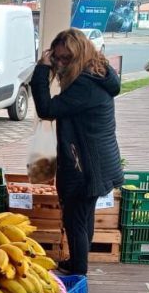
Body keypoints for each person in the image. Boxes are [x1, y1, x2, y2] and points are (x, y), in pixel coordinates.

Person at [29, 29, 124, 275]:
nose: (59, 64)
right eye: (56, 58)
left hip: (86, 166)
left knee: (75, 222)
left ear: (79, 55)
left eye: (65, 59)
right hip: (96, 161)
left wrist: (42, 69)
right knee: (83, 218)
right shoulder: (96, 74)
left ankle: (79, 275)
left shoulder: (84, 84)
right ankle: (76, 262)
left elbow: (47, 108)